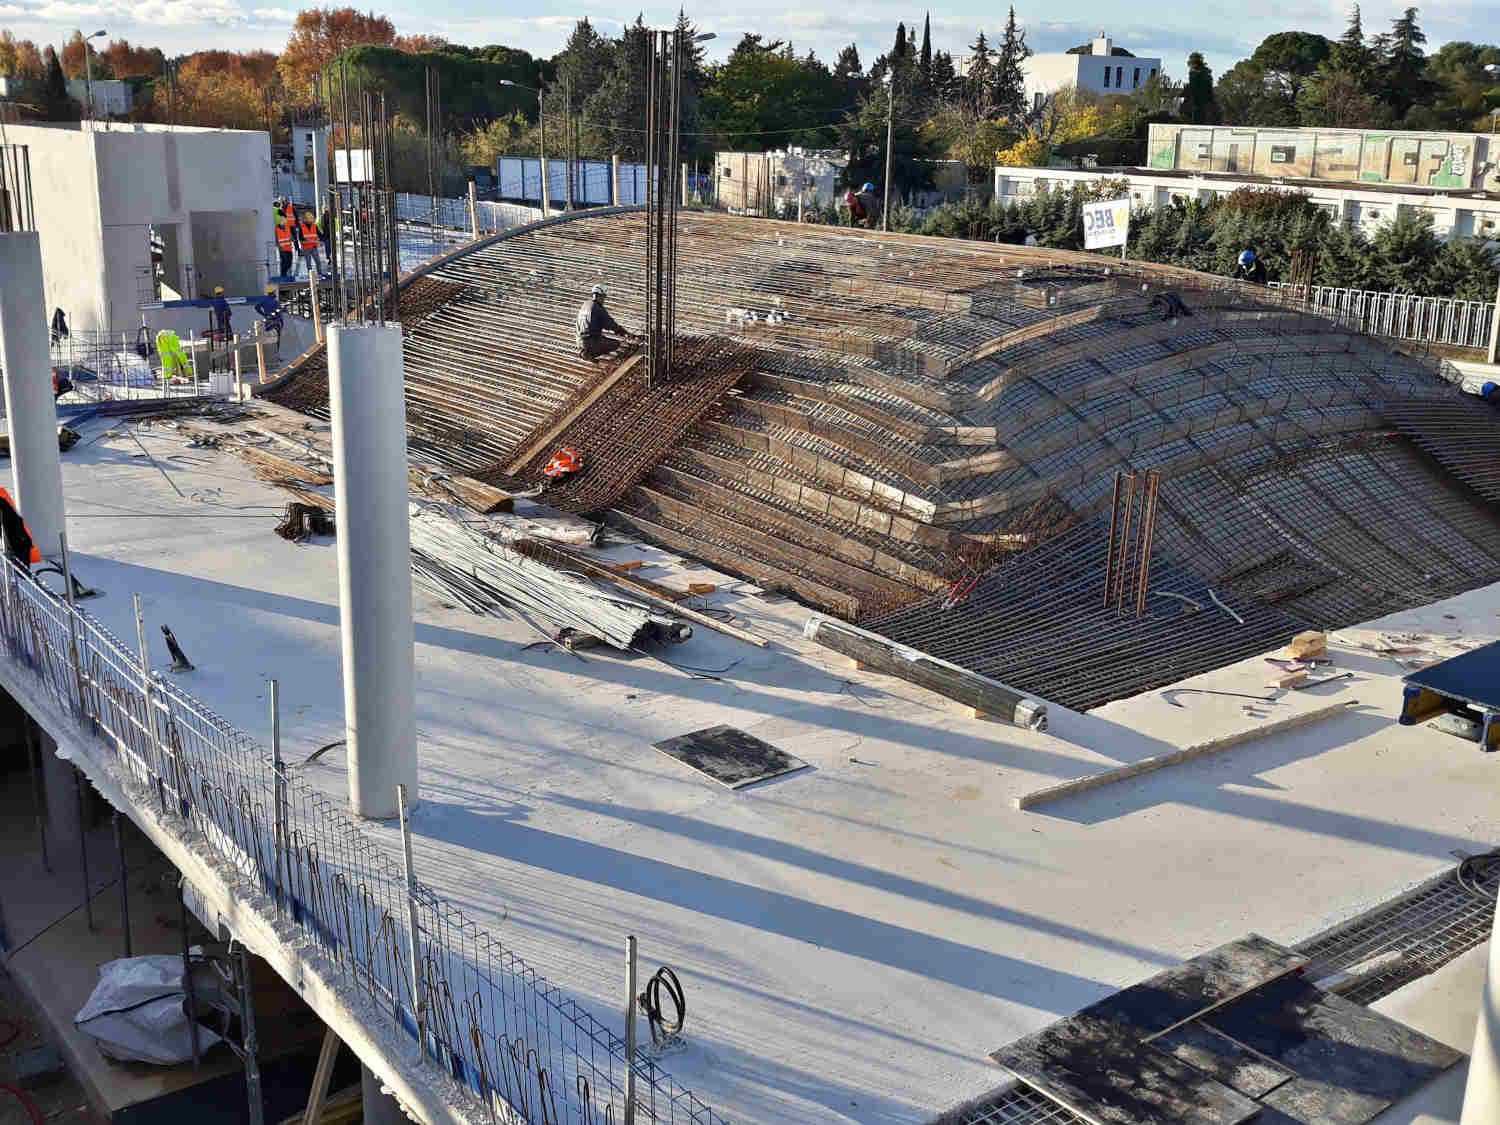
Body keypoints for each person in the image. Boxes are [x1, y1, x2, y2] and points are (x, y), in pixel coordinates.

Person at [575, 284, 634, 360]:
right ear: (601, 296)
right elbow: (610, 325)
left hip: (579, 340)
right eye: (604, 297)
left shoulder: (585, 305)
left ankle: (587, 352)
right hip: (590, 342)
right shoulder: (598, 308)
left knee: (604, 339)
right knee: (616, 344)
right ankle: (590, 354)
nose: (604, 300)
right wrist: (625, 333)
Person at [298, 211, 324, 279]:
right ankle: (311, 276)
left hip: (313, 247)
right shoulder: (302, 227)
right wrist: (305, 240)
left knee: (318, 261)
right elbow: (300, 237)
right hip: (306, 248)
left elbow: (320, 235)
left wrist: (321, 240)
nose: (310, 220)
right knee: (309, 263)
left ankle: (320, 274)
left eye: (311, 219)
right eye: (309, 219)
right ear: (305, 219)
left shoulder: (314, 226)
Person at [274, 213, 295, 279]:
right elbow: (276, 240)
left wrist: (292, 239)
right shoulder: (277, 230)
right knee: (284, 263)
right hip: (282, 249)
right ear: (280, 223)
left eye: (285, 222)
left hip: (289, 248)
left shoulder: (287, 227)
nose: (285, 224)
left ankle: (285, 274)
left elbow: (290, 236)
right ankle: (283, 275)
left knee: (289, 263)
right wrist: (280, 248)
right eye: (283, 223)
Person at [318, 206, 336, 274]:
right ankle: (330, 258)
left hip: (326, 235)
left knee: (328, 247)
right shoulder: (329, 216)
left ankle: (329, 258)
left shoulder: (323, 217)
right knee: (330, 247)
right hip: (329, 235)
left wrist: (321, 234)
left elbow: (319, 225)